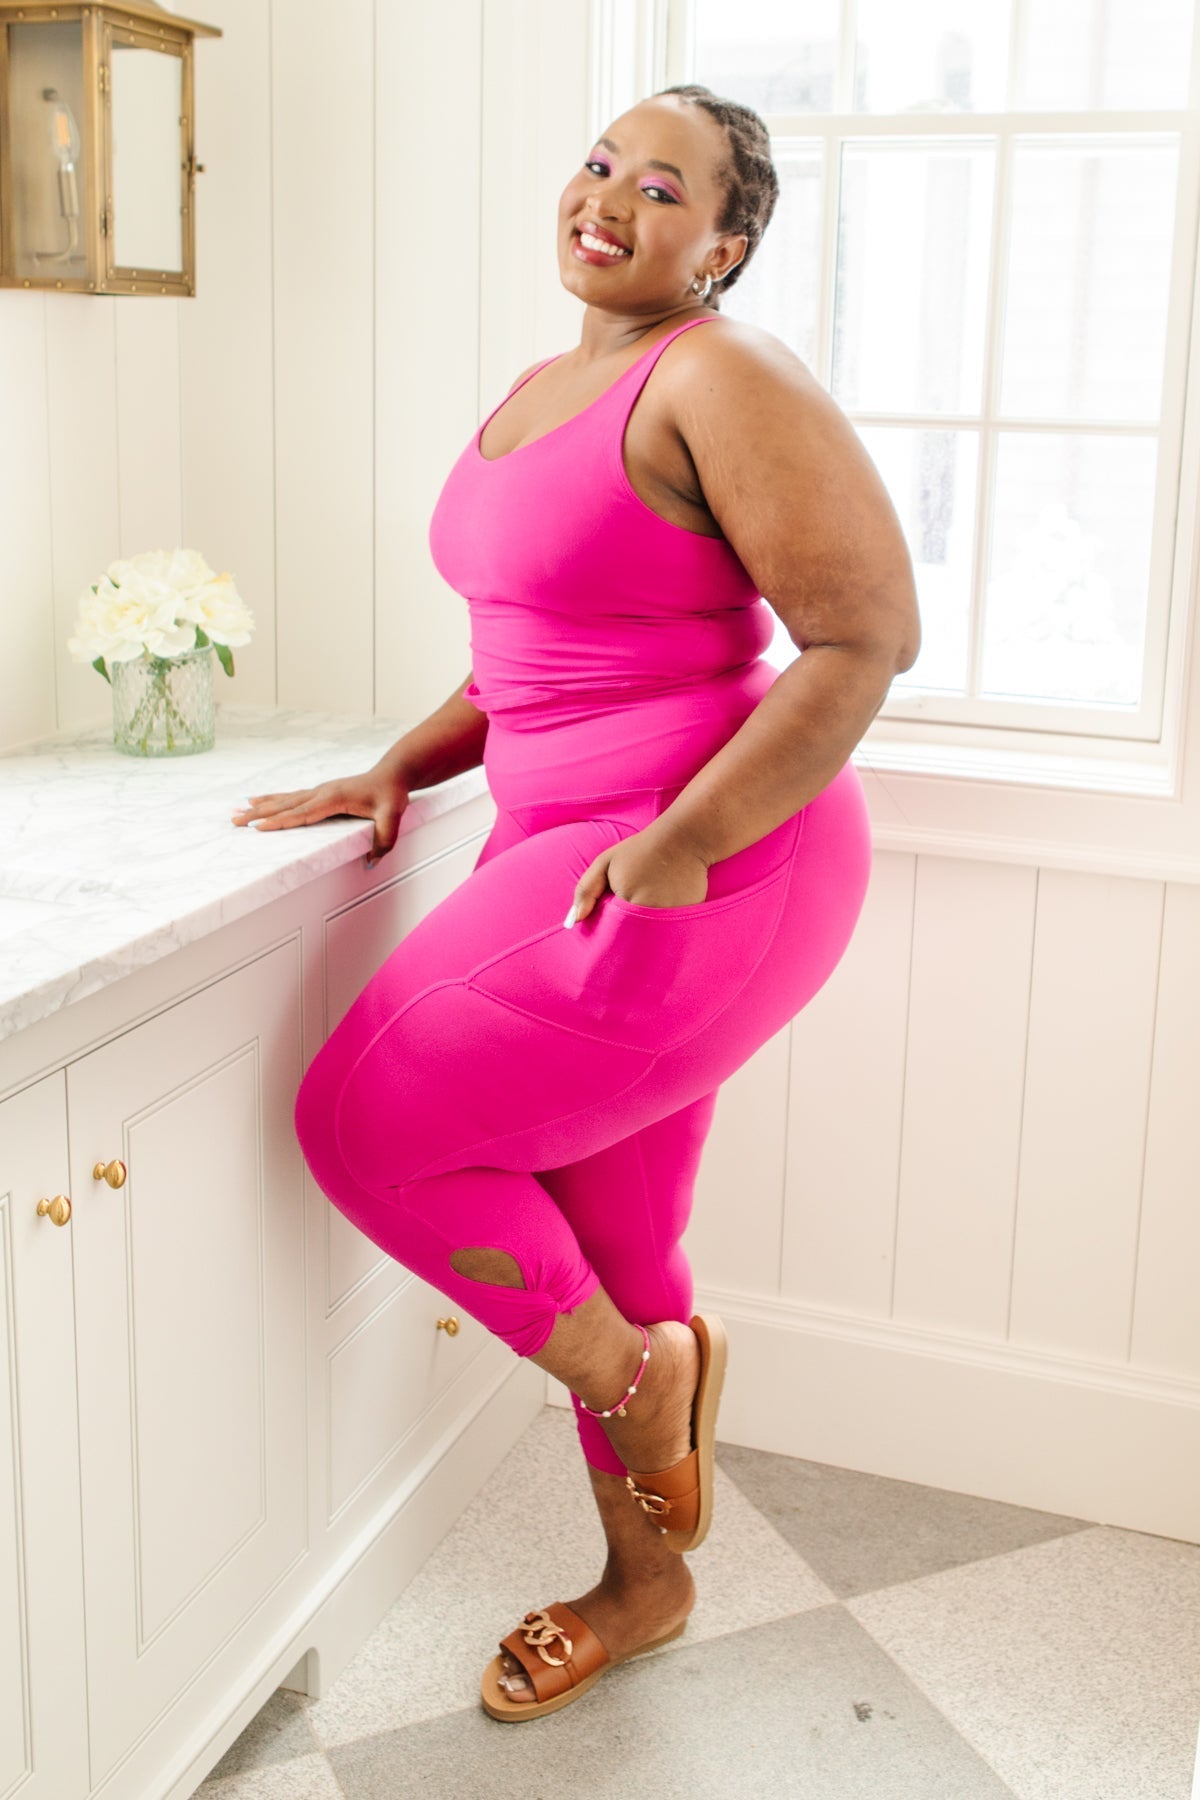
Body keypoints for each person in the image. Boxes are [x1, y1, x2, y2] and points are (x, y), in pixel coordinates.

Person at [231, 82, 919, 1721]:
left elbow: (865, 637)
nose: (608, 198)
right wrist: (399, 763)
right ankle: (646, 1581)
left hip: (711, 852)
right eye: (601, 164)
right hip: (577, 840)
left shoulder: (724, 374)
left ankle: (639, 1379)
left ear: (724, 246)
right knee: (614, 1233)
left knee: (362, 1126)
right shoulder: (552, 383)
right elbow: (531, 650)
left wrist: (684, 841)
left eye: (663, 188)